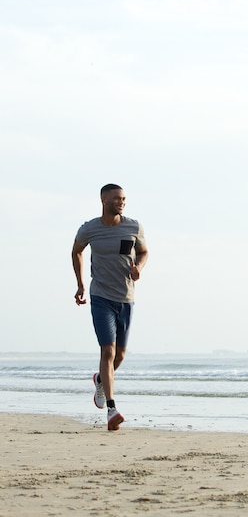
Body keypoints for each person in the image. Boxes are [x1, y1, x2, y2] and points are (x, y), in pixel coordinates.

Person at [71, 184, 148, 431]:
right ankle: (112, 410)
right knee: (108, 351)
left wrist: (139, 267)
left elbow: (144, 251)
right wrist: (81, 284)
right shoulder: (89, 229)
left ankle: (100, 381)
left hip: (126, 297)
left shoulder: (133, 226)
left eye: (124, 199)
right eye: (116, 199)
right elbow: (76, 251)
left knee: (120, 355)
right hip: (101, 296)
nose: (121, 202)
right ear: (103, 200)